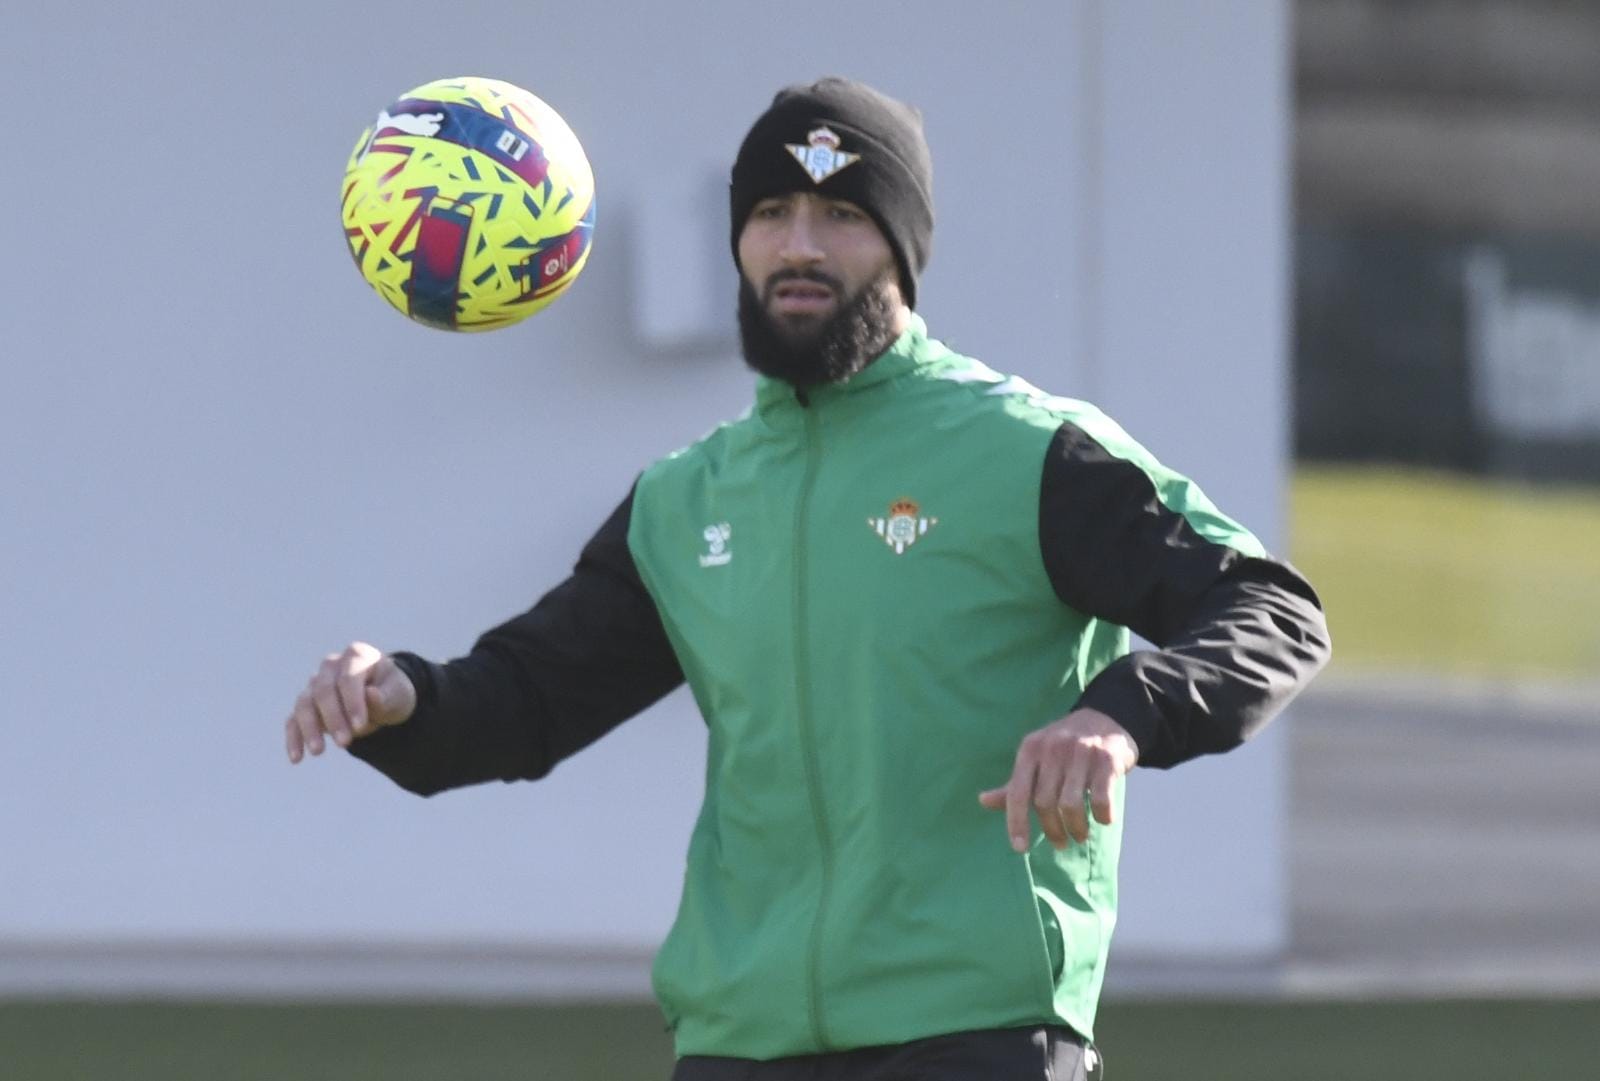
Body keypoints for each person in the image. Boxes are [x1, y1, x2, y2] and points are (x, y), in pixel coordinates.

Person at [286, 77, 1331, 1081]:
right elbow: (524, 700)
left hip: (974, 1032)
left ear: (902, 247)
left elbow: (1271, 609)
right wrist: (402, 696)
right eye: (772, 210)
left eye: (841, 213)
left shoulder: (1027, 452)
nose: (798, 244)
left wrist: (1120, 714)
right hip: (740, 1039)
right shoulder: (685, 499)